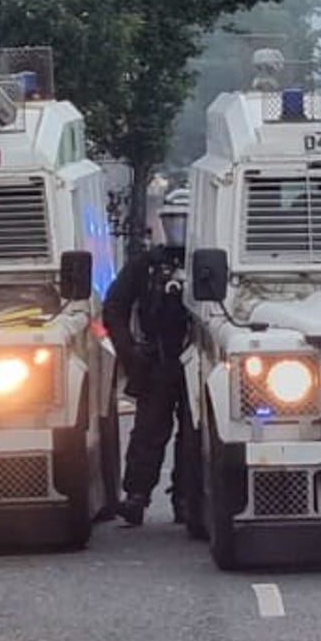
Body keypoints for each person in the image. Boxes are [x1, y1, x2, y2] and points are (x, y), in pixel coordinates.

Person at [97, 191, 198, 529]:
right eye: (172, 220)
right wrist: (129, 352)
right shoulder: (146, 264)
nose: (177, 229)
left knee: (195, 434)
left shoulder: (209, 261)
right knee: (148, 432)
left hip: (197, 359)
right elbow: (114, 307)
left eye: (183, 220)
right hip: (156, 359)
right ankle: (137, 496)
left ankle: (188, 498)